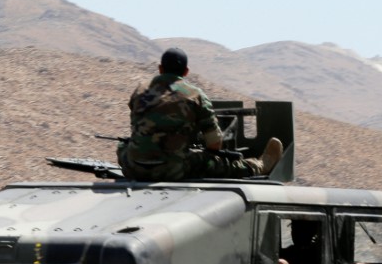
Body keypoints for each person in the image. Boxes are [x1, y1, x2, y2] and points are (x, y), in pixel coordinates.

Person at [117, 47, 283, 181]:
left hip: (134, 168)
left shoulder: (139, 91)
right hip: (174, 170)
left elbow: (138, 128)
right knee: (218, 163)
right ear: (186, 72)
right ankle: (259, 166)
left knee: (122, 146)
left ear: (160, 69)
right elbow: (214, 144)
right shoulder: (195, 95)